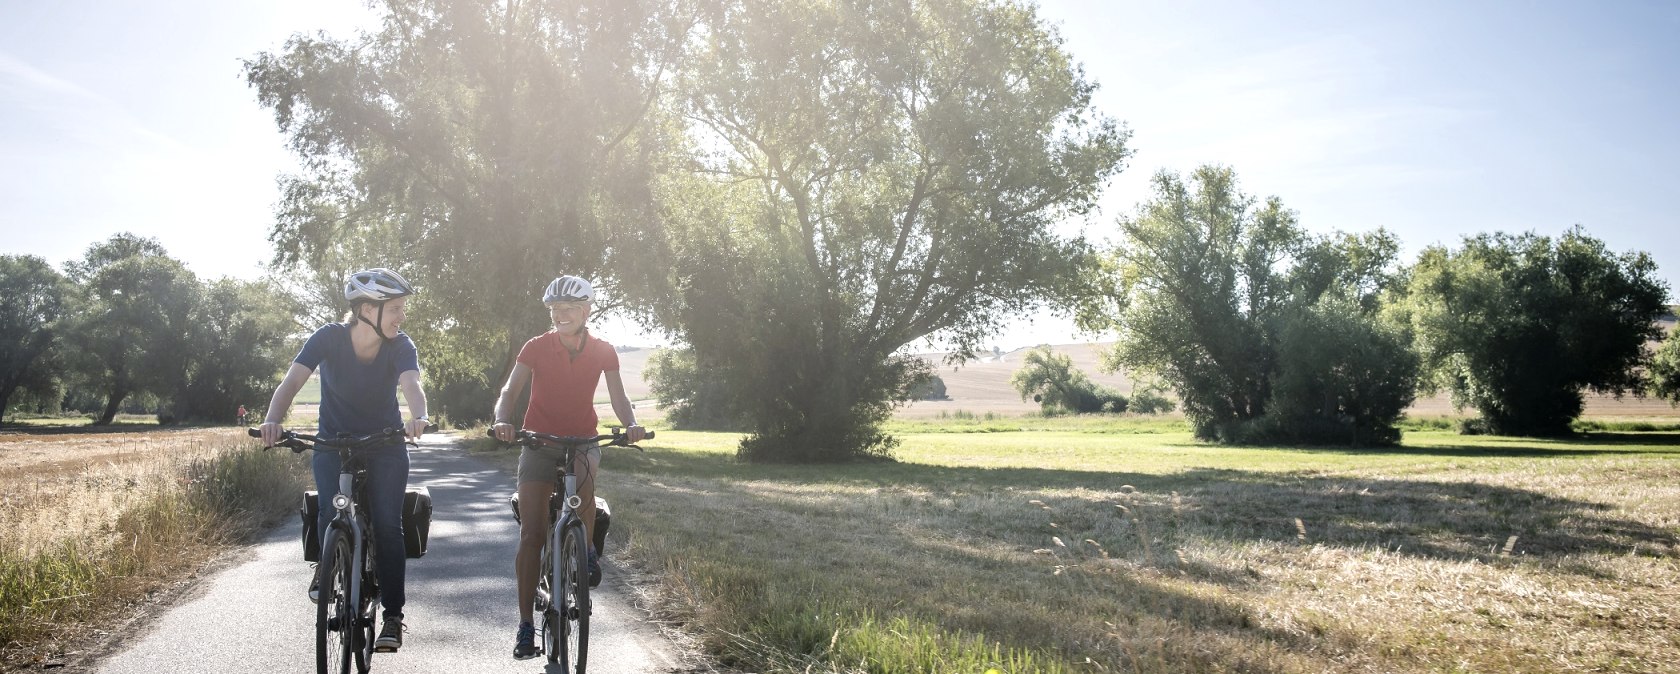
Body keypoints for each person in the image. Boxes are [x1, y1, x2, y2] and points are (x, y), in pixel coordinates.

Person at [259, 267, 430, 653]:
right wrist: (272, 420)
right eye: (396, 308)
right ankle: (329, 562)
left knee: (388, 524)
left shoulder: (400, 344)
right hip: (333, 441)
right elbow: (292, 382)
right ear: (368, 308)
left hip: (385, 443)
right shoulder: (328, 338)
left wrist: (419, 416)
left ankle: (393, 617)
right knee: (329, 509)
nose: (401, 316)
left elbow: (411, 384)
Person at [491, 275, 644, 660]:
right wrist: (503, 419)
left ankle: (586, 549)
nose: (561, 315)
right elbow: (510, 390)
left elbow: (619, 396)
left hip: (582, 438)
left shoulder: (604, 350)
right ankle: (526, 625)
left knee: (584, 481)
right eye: (556, 310)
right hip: (538, 441)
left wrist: (630, 424)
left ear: (586, 312)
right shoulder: (536, 346)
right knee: (532, 534)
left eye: (569, 309)